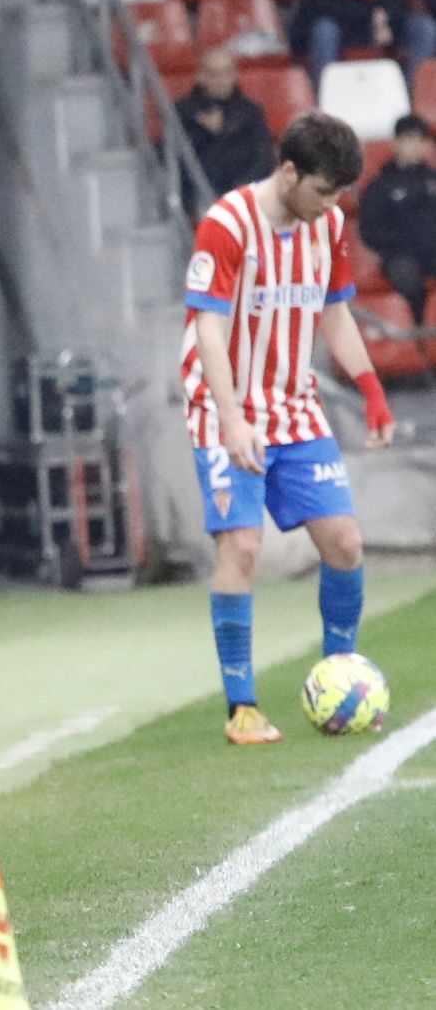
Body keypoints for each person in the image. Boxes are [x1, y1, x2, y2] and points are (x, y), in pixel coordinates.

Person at [181, 111, 394, 746]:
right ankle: (241, 708)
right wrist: (231, 418)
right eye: (326, 190)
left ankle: (340, 673)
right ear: (289, 171)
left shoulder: (325, 226)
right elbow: (208, 332)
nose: (334, 205)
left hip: (293, 406)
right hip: (225, 405)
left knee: (346, 543)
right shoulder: (227, 224)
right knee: (241, 548)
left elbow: (334, 316)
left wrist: (372, 388)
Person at [293, 0, 436, 87]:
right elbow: (325, 5)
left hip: (379, 27)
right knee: (325, 30)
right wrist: (371, 19)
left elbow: (397, 1)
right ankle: (325, 92)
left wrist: (385, 17)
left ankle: (413, 91)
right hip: (341, 26)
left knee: (424, 27)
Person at [358, 113, 436, 323]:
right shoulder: (379, 186)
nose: (416, 145)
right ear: (396, 143)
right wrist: (405, 241)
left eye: (421, 140)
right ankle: (416, 334)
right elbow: (370, 230)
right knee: (406, 274)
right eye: (409, 139)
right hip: (400, 255)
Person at [177, 47, 278, 197]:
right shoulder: (184, 112)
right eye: (214, 74)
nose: (221, 80)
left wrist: (240, 190)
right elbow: (181, 163)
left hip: (244, 192)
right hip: (200, 194)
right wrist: (208, 133)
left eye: (227, 73)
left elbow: (263, 158)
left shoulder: (251, 111)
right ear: (201, 77)